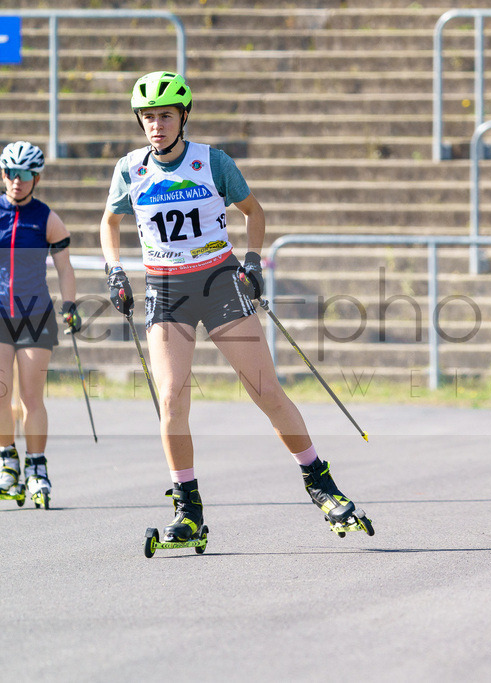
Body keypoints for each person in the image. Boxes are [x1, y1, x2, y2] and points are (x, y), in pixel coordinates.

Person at [99, 71, 370, 543]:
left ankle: (320, 483)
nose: (156, 126)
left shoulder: (213, 162)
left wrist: (253, 262)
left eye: (165, 116)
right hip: (165, 289)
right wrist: (114, 270)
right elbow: (110, 221)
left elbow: (254, 213)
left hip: (220, 283)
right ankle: (188, 509)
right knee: (171, 398)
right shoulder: (130, 168)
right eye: (147, 118)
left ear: (183, 117)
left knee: (265, 390)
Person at [0, 141, 81, 507]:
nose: (17, 181)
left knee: (31, 397)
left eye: (26, 175)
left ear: (36, 178)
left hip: (35, 315)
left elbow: (65, 267)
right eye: (11, 174)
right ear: (3, 175)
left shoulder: (46, 218)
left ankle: (36, 467)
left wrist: (70, 306)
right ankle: (7, 465)